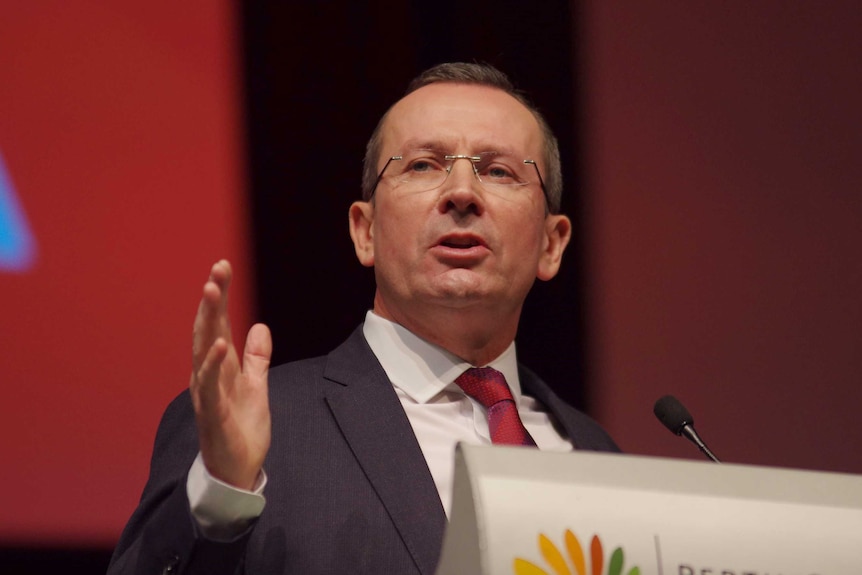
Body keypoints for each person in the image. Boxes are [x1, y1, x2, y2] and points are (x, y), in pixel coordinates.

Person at [108, 62, 619, 575]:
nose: (462, 193)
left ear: (551, 244)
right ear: (364, 231)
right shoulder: (258, 429)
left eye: (499, 171)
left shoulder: (598, 455)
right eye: (422, 164)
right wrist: (221, 496)